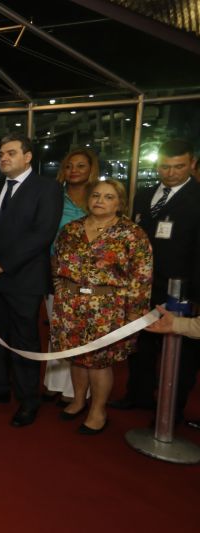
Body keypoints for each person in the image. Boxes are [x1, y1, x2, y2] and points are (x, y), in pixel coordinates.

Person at [0, 132, 62, 427]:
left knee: (25, 340)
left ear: (28, 156)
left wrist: (4, 264)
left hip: (24, 279)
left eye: (11, 153)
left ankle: (28, 400)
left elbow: (42, 233)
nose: (4, 158)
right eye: (1, 154)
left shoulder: (47, 188)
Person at [50, 180, 152, 434]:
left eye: (108, 197)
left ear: (120, 203)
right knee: (76, 356)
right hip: (70, 305)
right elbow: (56, 264)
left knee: (99, 361)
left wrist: (135, 313)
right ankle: (78, 400)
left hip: (107, 308)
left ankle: (98, 411)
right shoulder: (71, 230)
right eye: (96, 195)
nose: (100, 201)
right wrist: (61, 294)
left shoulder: (131, 233)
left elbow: (141, 276)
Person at [111, 139, 200, 423]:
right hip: (142, 286)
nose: (170, 173)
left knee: (180, 354)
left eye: (178, 166)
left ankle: (171, 411)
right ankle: (138, 394)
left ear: (192, 164)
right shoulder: (144, 195)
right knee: (141, 344)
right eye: (164, 166)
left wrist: (196, 296)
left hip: (180, 290)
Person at [42, 148, 99, 406]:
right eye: (69, 166)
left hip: (90, 275)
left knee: (81, 331)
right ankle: (54, 383)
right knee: (58, 327)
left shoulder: (98, 196)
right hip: (56, 271)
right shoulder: (54, 196)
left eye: (80, 166)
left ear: (91, 169)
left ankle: (76, 391)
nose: (74, 170)